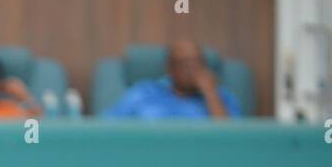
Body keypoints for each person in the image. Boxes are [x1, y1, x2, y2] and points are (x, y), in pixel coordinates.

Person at [102, 39, 241, 119]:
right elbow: (107, 127)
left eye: (197, 62)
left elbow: (232, 143)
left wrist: (210, 93)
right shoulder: (144, 93)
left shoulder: (222, 98)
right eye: (184, 64)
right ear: (170, 68)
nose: (192, 70)